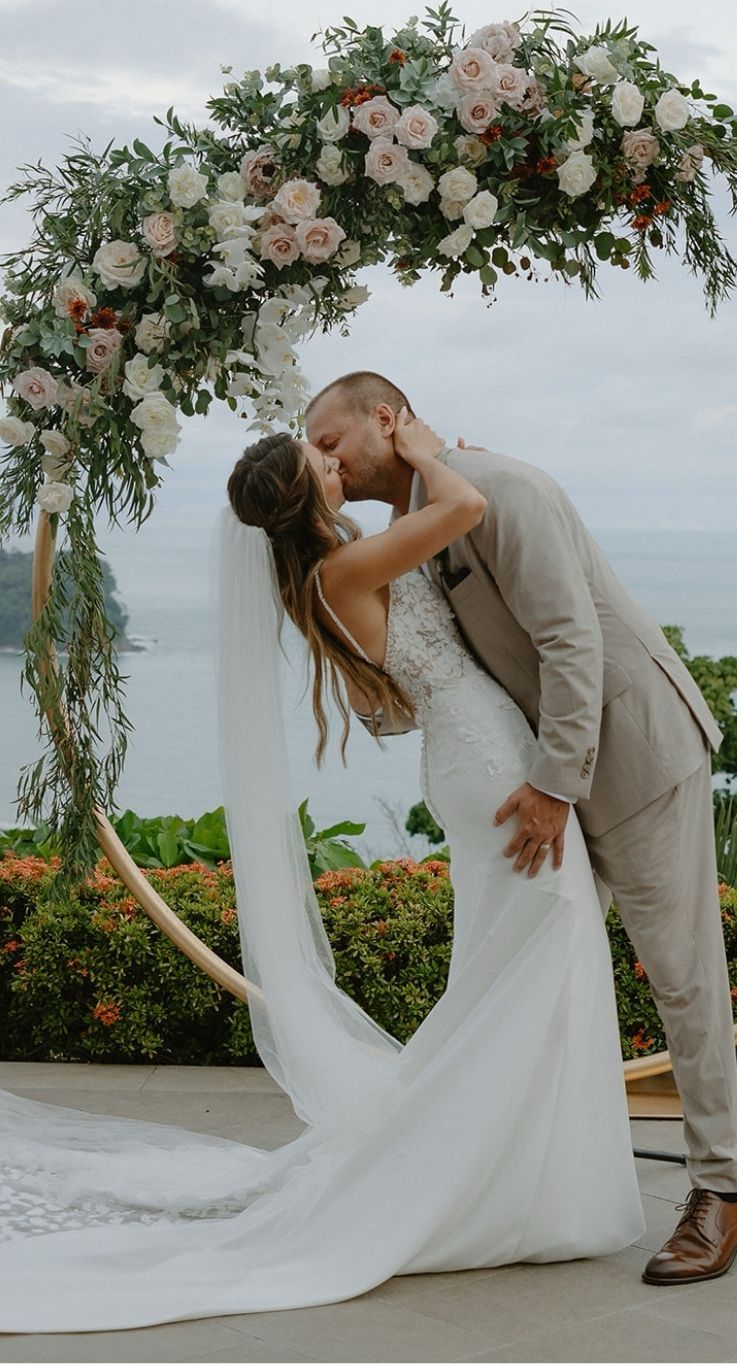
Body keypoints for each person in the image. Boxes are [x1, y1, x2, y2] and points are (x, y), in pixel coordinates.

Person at [0, 409, 645, 1334]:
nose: (339, 464)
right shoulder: (343, 569)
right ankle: (505, 1185)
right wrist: (426, 454)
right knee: (545, 958)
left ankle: (533, 1178)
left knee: (519, 969)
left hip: (476, 762)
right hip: (494, 770)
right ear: (308, 493)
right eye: (323, 459)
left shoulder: (334, 569)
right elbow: (462, 507)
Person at [305, 371, 737, 1286]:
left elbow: (569, 640)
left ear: (385, 421)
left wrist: (556, 785)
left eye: (331, 440)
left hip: (631, 756)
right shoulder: (421, 522)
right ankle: (536, 1177)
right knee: (534, 976)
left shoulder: (503, 488)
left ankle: (726, 1189)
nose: (326, 460)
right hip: (537, 773)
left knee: (680, 976)